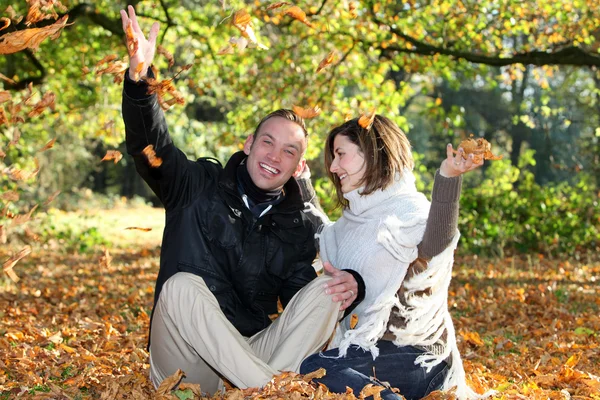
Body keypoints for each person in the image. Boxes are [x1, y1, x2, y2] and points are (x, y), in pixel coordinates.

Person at [118, 5, 363, 393]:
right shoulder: (195, 185)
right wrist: (139, 82)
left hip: (252, 354)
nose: (274, 156)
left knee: (326, 289)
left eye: (288, 151)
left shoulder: (295, 225)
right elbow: (153, 147)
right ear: (248, 144)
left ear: (298, 165)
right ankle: (270, 392)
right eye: (267, 142)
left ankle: (255, 390)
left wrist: (354, 287)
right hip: (186, 364)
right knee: (181, 286)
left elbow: (302, 304)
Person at [299, 116, 491, 400]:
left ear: (373, 152)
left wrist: (449, 177)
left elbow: (437, 243)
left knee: (317, 368)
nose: (332, 167)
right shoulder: (353, 221)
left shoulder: (408, 214)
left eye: (341, 155)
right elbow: (323, 233)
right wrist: (301, 181)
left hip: (421, 358)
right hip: (372, 352)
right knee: (317, 366)